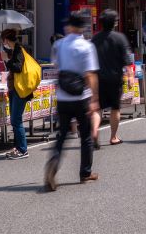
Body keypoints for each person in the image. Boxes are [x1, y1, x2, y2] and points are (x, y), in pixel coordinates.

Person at [45, 12, 100, 191]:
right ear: (83, 27)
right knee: (85, 135)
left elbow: (56, 66)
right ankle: (85, 172)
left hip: (62, 96)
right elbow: (90, 74)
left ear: (69, 26)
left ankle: (54, 159)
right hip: (81, 96)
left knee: (62, 134)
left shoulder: (59, 44)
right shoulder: (86, 46)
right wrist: (94, 99)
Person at [91, 10, 133, 146]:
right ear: (114, 23)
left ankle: (94, 131)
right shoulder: (120, 38)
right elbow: (127, 60)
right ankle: (113, 137)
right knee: (115, 108)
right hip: (115, 79)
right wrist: (130, 76)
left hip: (98, 79)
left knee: (98, 108)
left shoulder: (95, 39)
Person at [0, 29, 31, 159]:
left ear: (6, 40)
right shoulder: (15, 50)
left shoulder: (19, 49)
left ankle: (23, 150)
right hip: (15, 89)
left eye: (3, 40)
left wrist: (6, 60)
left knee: (16, 119)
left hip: (19, 90)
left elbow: (17, 67)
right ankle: (17, 148)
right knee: (14, 119)